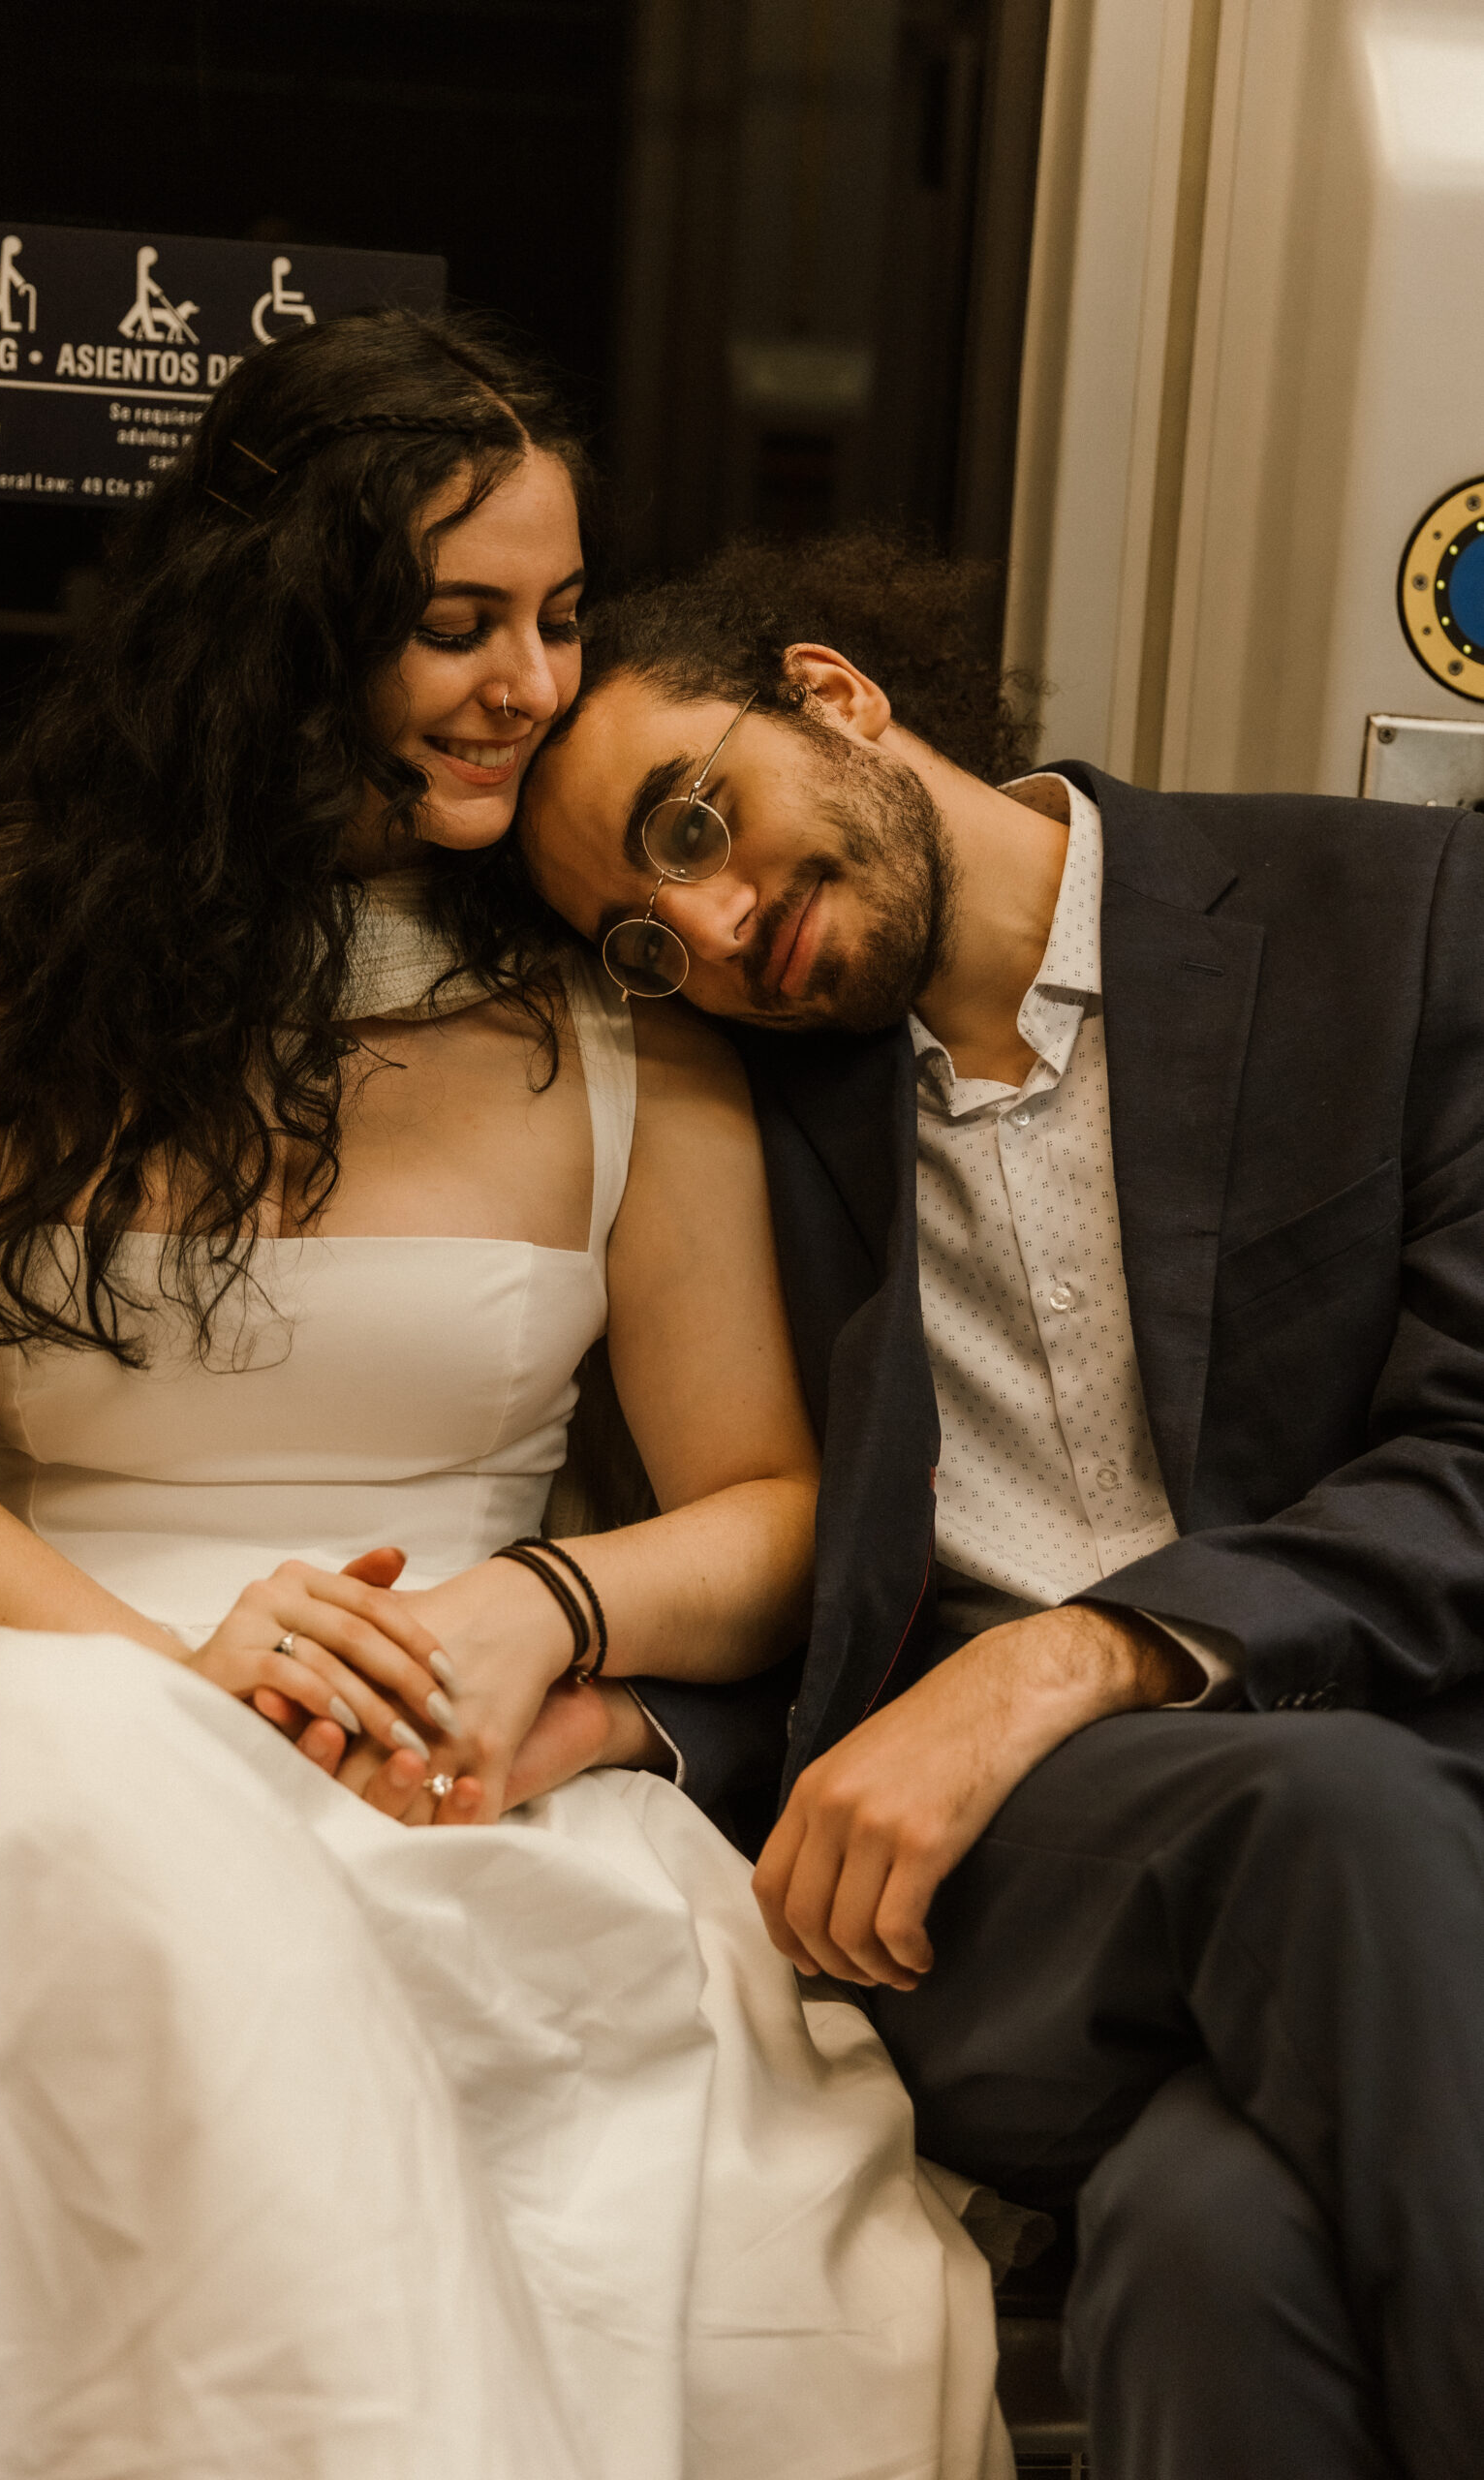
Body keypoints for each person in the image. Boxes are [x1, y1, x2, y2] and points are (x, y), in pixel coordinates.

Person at [0, 326, 1009, 2479]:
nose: (532, 684)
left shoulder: (618, 1024)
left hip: (452, 1752)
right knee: (58, 1760)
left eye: (557, 620)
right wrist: (170, 1676)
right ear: (283, 620)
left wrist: (540, 1611)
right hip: (22, 1670)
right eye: (458, 621)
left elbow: (768, 1505)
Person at [518, 524, 1484, 2480]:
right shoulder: (739, 1133)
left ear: (831, 695)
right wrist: (605, 1703)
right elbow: (784, 1587)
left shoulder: (1400, 918)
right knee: (1325, 1809)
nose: (699, 932)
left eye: (690, 822)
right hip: (1014, 1899)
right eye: (640, 929)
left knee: (1208, 2246)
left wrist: (1085, 1647)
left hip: (1409, 1832)